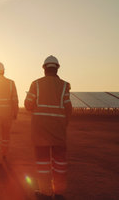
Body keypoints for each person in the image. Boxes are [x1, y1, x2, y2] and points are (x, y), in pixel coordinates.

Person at [24, 55, 72, 200]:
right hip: (58, 131)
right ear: (57, 68)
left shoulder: (36, 84)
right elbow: (68, 108)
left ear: (44, 68)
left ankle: (45, 192)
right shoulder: (64, 85)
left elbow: (28, 104)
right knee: (59, 163)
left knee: (43, 163)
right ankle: (59, 192)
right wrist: (63, 124)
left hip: (40, 131)